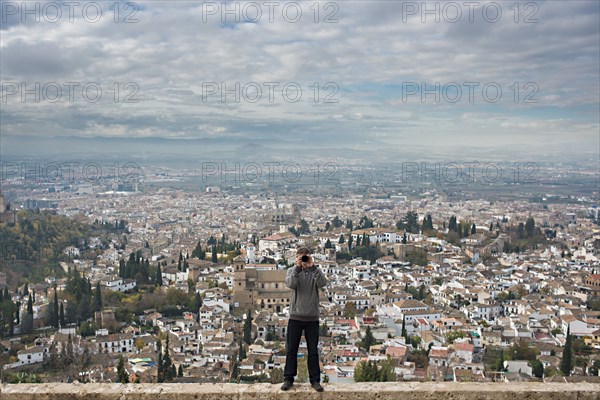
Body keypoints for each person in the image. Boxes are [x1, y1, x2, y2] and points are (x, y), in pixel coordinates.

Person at [281, 247, 328, 392]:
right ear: (296, 258)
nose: (304, 260)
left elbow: (322, 284)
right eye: (301, 257)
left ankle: (315, 381)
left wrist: (312, 267)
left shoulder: (315, 271)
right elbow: (290, 284)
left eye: (305, 257)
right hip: (295, 316)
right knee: (291, 350)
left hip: (312, 318)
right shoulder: (292, 271)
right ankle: (288, 379)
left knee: (313, 350)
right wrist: (297, 268)